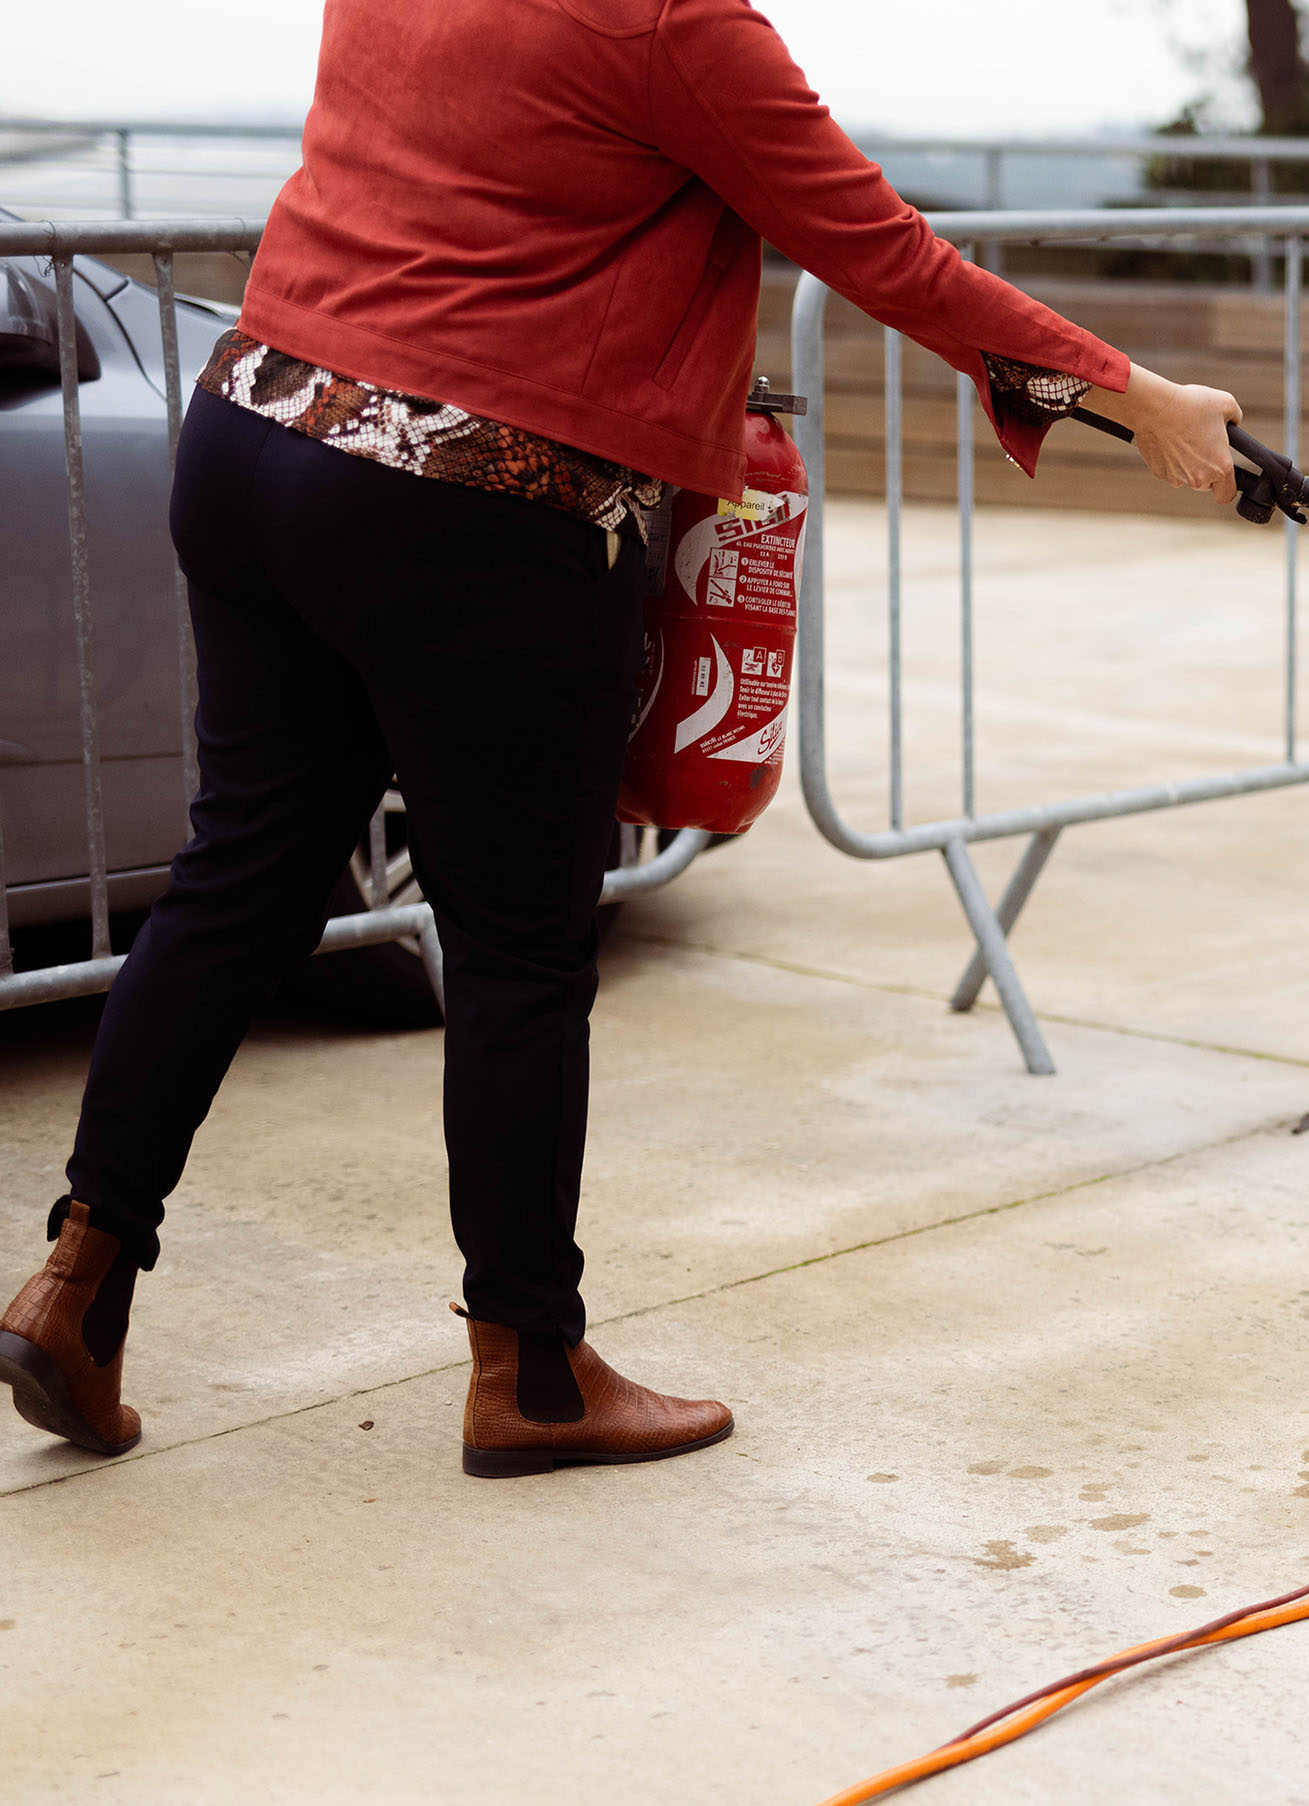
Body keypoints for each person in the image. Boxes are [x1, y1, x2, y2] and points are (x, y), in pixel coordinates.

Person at [0, 0, 1240, 1479]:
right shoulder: (674, 23)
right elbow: (886, 252)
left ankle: (81, 1278)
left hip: (261, 432)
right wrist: (1142, 398)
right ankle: (532, 1368)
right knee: (522, 943)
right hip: (469, 495)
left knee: (238, 879)